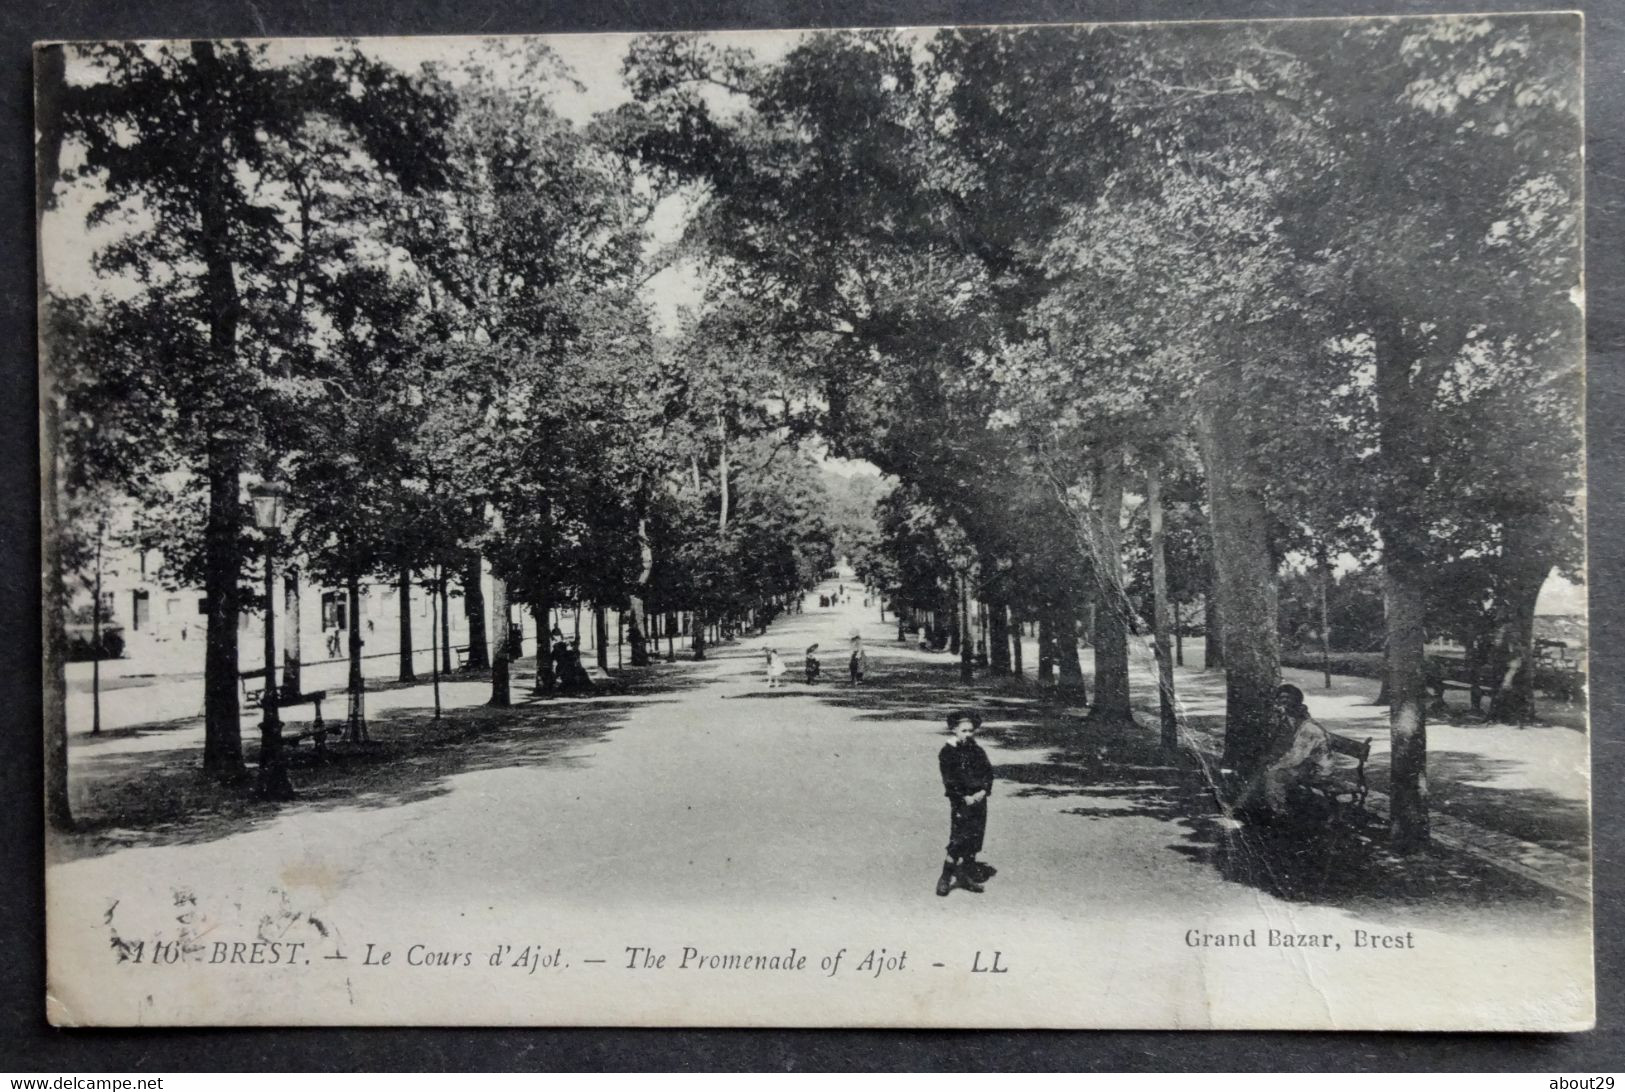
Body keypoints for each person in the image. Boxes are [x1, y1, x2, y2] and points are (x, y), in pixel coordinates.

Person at [1236, 683, 1334, 821]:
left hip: (1317, 769)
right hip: (1302, 763)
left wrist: (1275, 764)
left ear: (1296, 702)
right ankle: (1242, 806)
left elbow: (1296, 756)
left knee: (1274, 774)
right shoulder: (1289, 720)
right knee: (1263, 768)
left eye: (1287, 700)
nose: (1282, 705)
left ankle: (1279, 813)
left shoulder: (1309, 728)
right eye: (1280, 700)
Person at [937, 710, 995, 896]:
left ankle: (966, 876)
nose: (968, 734)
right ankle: (945, 878)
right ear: (954, 730)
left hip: (979, 799)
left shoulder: (977, 750)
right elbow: (950, 779)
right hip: (962, 801)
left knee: (975, 836)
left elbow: (988, 771)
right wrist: (963, 796)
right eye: (964, 731)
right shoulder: (948, 752)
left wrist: (984, 790)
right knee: (959, 837)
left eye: (971, 731)